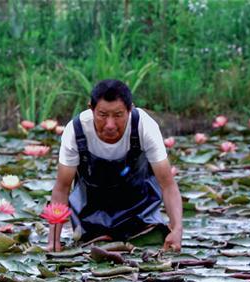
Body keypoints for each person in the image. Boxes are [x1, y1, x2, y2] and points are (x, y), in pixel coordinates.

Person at [48, 79, 183, 252]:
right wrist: (53, 241)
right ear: (91, 109)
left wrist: (177, 229)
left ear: (130, 109)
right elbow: (62, 188)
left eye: (118, 115)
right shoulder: (75, 130)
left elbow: (168, 185)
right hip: (91, 221)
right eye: (102, 115)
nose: (110, 125)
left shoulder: (145, 126)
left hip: (141, 218)